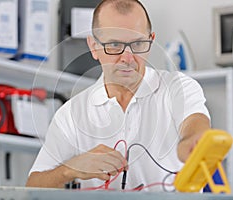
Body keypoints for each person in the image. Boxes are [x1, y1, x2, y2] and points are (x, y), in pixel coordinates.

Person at [26, 0, 210, 191]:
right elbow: (32, 186)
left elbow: (195, 124)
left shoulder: (178, 88)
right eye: (114, 45)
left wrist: (193, 141)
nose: (127, 58)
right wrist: (70, 169)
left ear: (151, 40)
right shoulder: (71, 114)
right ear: (94, 46)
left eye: (138, 44)